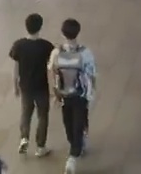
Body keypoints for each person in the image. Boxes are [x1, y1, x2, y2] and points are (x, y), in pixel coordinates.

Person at [49, 18, 96, 173]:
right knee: (80, 120)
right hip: (80, 94)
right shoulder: (85, 53)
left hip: (64, 95)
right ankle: (74, 154)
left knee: (68, 121)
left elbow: (53, 71)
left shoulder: (56, 52)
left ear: (63, 33)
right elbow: (91, 74)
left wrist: (56, 93)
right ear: (78, 32)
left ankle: (74, 146)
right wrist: (92, 92)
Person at [10, 13, 55, 158]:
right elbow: (51, 67)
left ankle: (24, 138)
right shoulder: (46, 46)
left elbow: (15, 67)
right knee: (43, 116)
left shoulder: (19, 45)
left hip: (25, 86)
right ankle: (41, 147)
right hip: (41, 86)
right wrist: (55, 87)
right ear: (40, 27)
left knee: (26, 113)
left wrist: (15, 85)